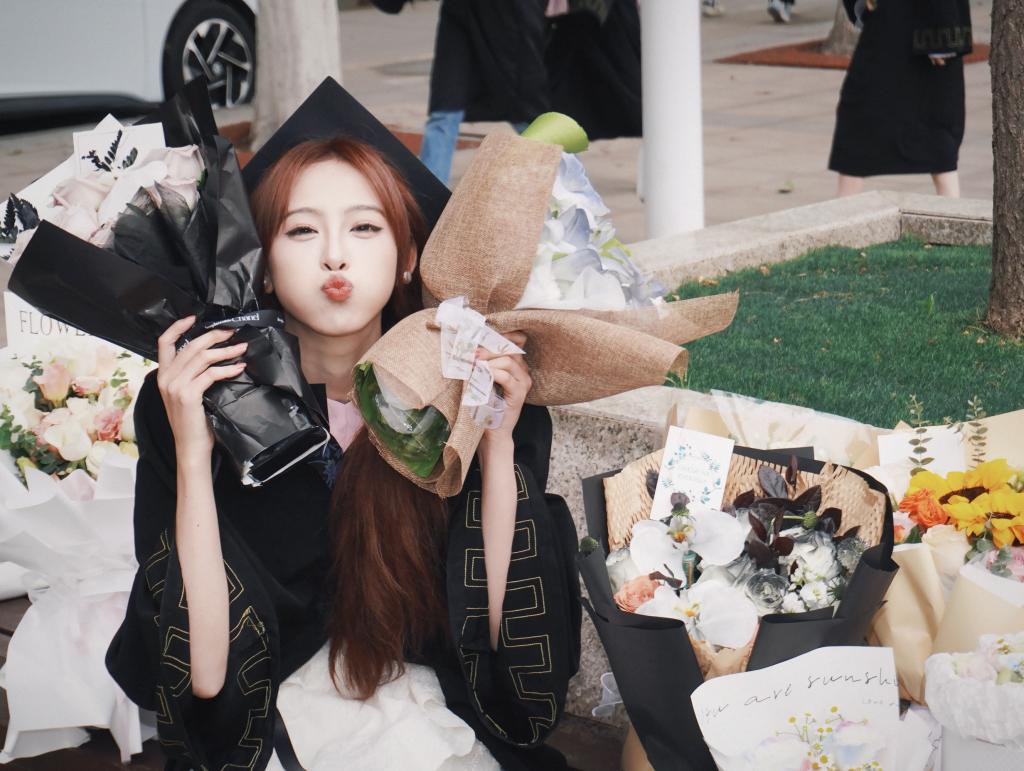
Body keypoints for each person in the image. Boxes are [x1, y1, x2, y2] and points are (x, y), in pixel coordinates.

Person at [106, 84, 580, 771]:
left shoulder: (466, 390)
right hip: (275, 722)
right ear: (262, 268)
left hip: (437, 715)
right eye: (301, 231)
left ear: (409, 254)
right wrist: (191, 451)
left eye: (365, 228)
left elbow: (508, 651)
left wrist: (498, 444)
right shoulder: (197, 401)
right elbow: (206, 682)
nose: (335, 256)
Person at [829, 0, 972, 198]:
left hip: (929, 33)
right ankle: (843, 211)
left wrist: (942, 36)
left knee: (939, 140)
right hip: (886, 28)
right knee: (856, 130)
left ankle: (952, 213)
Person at [418, 0, 549, 185]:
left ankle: (570, 185)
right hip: (460, 15)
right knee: (444, 113)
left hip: (509, 18)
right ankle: (429, 195)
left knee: (525, 113)